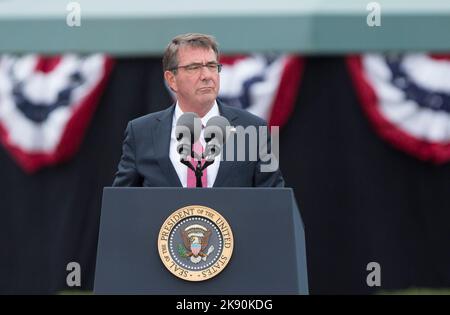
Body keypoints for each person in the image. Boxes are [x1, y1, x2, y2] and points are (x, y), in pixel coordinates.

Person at [112, 33, 284, 188]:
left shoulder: (255, 129)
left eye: (211, 66)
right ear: (171, 80)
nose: (206, 76)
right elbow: (122, 204)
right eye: (194, 67)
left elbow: (275, 202)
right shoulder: (141, 132)